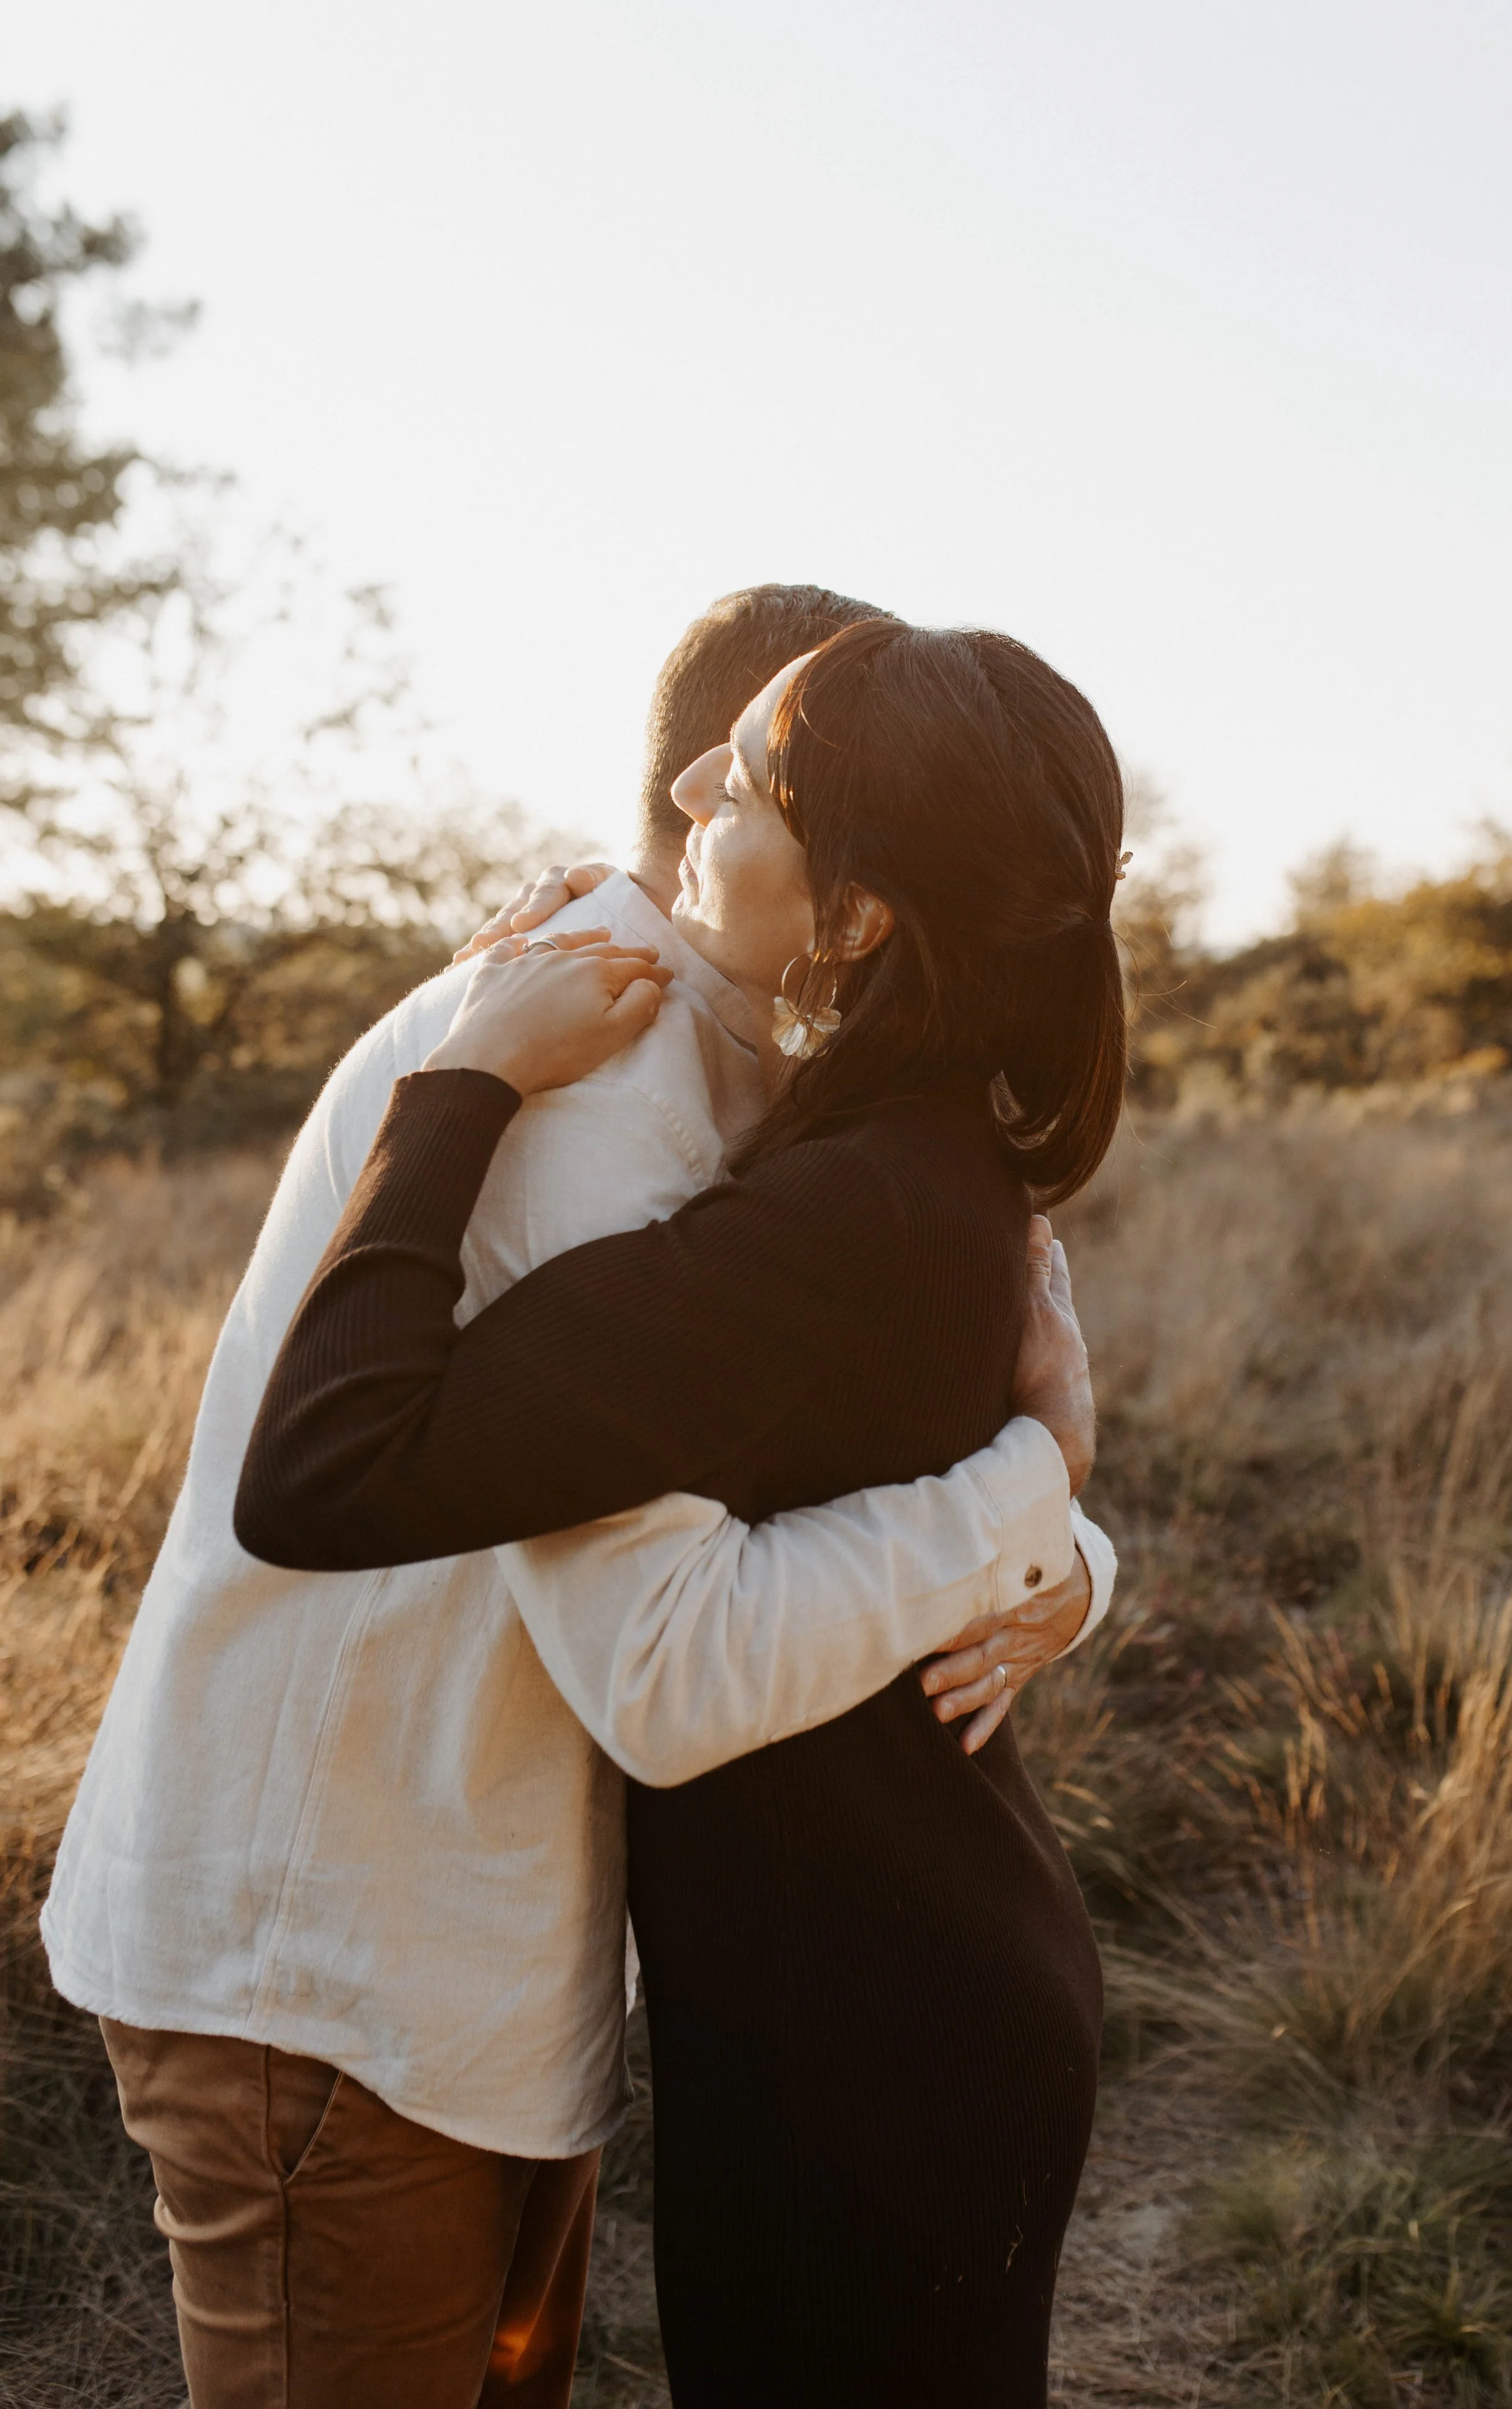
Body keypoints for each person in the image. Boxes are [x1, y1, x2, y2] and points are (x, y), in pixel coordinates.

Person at [42, 587, 1113, 2409]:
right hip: (336, 1955)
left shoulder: (759, 1072)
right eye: (741, 758)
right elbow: (665, 1650)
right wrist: (1031, 1487)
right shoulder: (591, 1075)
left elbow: (840, 1414)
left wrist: (1065, 1552)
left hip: (486, 1946)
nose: (712, 787)